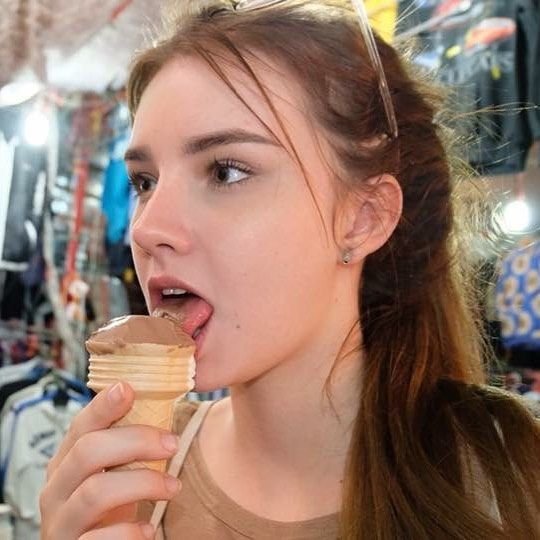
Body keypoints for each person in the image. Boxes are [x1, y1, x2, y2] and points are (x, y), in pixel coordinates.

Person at [40, 1, 540, 538]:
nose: (144, 229)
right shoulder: (124, 476)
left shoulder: (513, 479)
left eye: (226, 172)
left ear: (364, 218)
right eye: (144, 182)